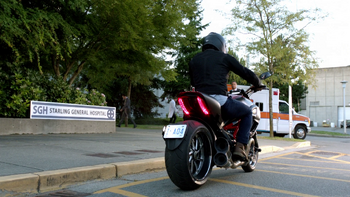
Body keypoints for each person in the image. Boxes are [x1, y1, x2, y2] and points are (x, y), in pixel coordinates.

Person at [189, 32, 261, 161]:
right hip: (219, 101)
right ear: (220, 45)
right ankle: (240, 147)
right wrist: (257, 82)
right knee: (247, 112)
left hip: (199, 100)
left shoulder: (194, 59)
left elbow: (193, 82)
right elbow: (243, 71)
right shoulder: (224, 57)